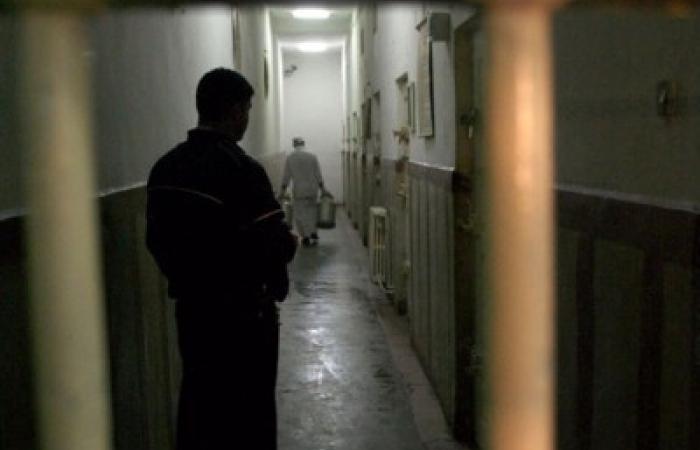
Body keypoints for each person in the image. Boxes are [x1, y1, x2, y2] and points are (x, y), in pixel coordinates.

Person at [145, 68, 297, 450]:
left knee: (200, 402)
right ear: (234, 111)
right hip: (245, 316)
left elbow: (156, 241)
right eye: (247, 109)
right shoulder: (241, 169)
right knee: (249, 414)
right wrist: (289, 243)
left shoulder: (165, 169)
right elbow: (273, 243)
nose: (247, 119)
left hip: (193, 312)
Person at [279, 137, 327, 246]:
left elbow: (286, 176)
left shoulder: (290, 158)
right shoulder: (312, 156)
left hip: (299, 190)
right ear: (303, 144)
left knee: (300, 214)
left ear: (294, 145)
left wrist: (282, 191)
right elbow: (318, 174)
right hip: (312, 189)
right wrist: (323, 189)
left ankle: (305, 236)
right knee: (312, 212)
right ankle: (313, 232)